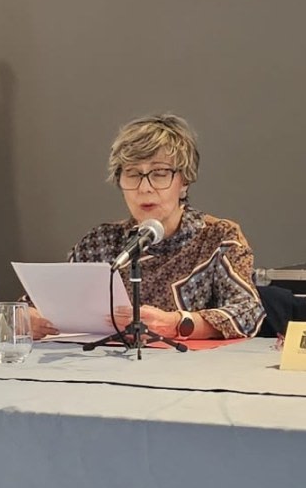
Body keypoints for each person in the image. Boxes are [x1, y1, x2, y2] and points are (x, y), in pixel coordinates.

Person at [30, 114, 263, 341]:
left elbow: (248, 311)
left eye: (159, 174)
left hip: (187, 364)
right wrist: (28, 318)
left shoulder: (217, 237)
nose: (145, 188)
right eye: (133, 174)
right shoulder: (101, 242)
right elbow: (41, 302)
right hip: (102, 361)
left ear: (184, 181)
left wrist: (177, 324)